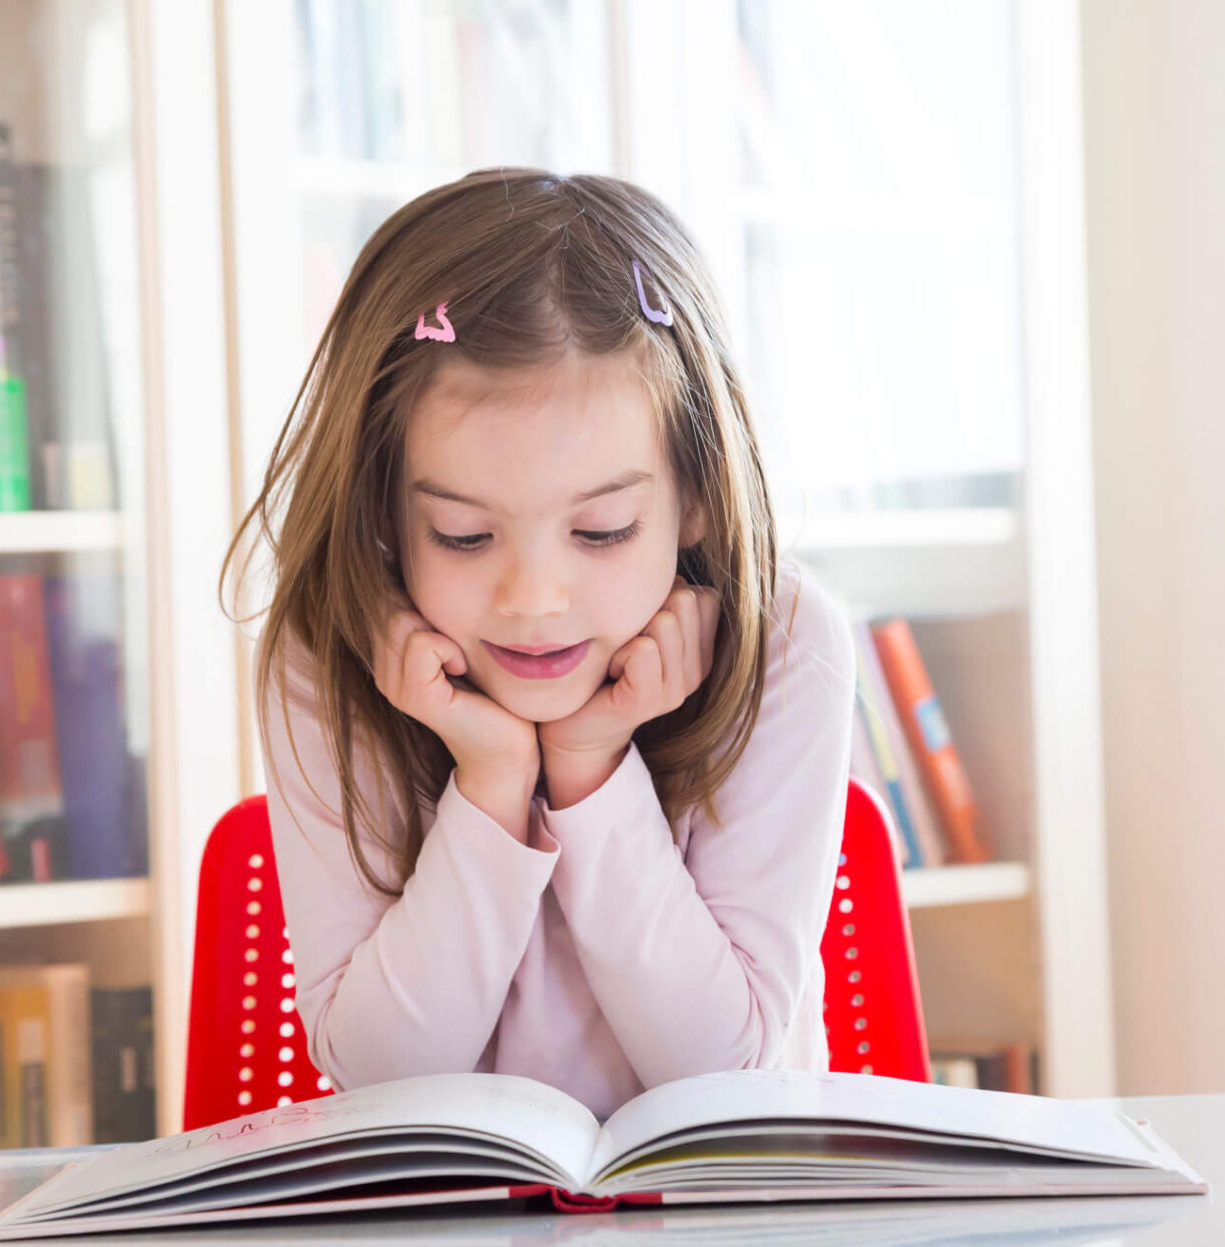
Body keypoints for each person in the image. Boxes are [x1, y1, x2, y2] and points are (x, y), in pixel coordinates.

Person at [225, 168, 855, 1120]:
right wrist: (490, 783)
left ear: (693, 494)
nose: (533, 601)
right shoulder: (324, 658)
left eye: (601, 530)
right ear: (384, 513)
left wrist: (590, 770)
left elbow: (724, 1068)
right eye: (464, 537)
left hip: (720, 1246)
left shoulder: (789, 644)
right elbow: (382, 1077)